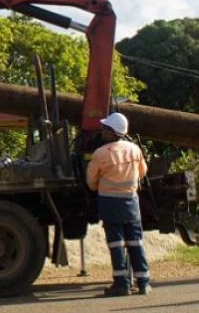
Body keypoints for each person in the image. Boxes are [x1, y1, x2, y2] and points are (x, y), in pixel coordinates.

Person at [86, 112, 151, 297]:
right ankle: (144, 283)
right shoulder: (134, 149)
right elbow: (143, 172)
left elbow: (91, 181)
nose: (102, 131)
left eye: (105, 128)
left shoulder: (100, 154)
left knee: (116, 245)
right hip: (131, 202)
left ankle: (121, 285)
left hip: (110, 203)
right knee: (136, 243)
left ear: (112, 132)